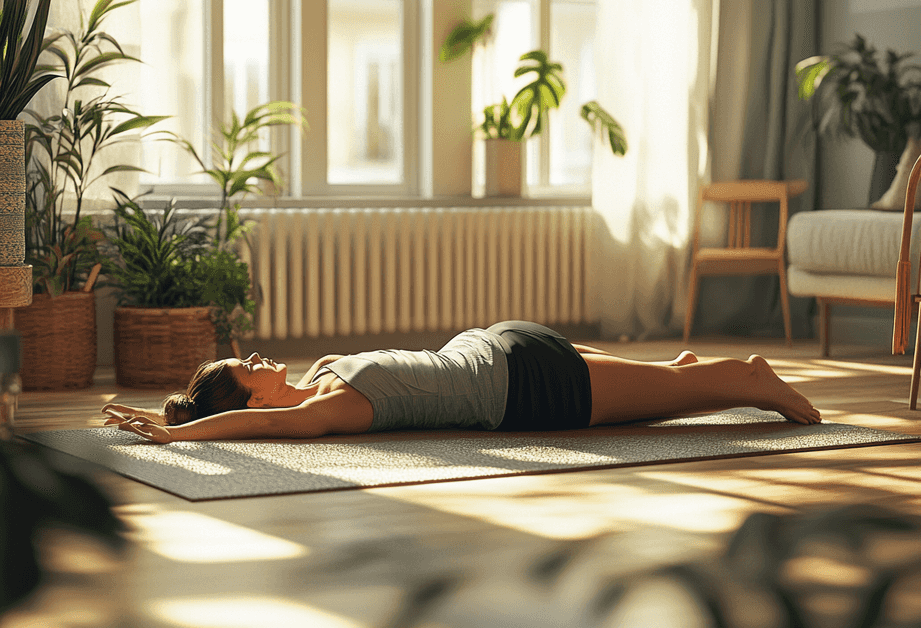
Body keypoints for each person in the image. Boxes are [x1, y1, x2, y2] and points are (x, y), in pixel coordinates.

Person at [102, 320, 821, 444]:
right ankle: (673, 372)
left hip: (519, 381)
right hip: (500, 349)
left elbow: (258, 418)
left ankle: (754, 379)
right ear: (251, 395)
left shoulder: (331, 392)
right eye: (246, 370)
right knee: (664, 389)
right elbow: (262, 428)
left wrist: (179, 422)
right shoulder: (326, 397)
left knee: (691, 403)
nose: (257, 360)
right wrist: (181, 428)